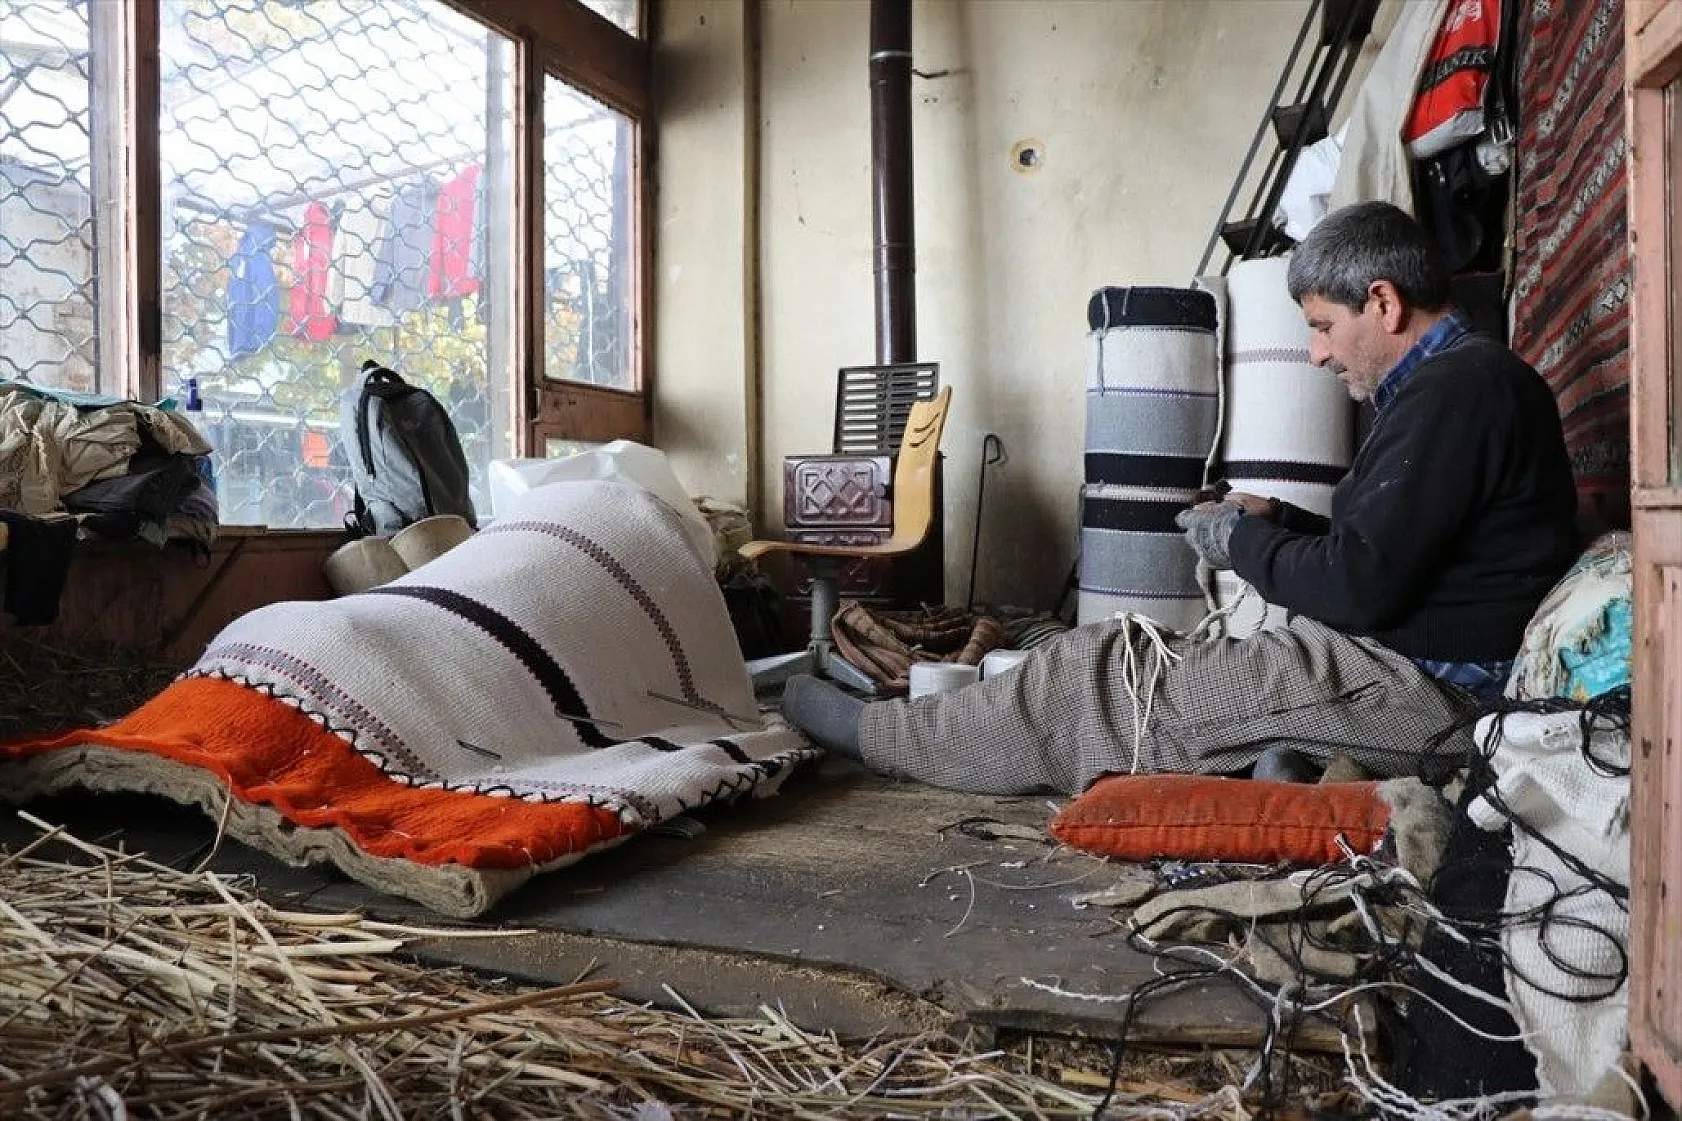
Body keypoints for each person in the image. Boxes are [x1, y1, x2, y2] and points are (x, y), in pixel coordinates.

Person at [780, 201, 1580, 796]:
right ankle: (1284, 761)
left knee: (1102, 681)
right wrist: (1280, 522)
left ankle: (887, 735)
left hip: (1431, 691)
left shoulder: (1459, 391)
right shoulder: (1454, 386)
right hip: (1406, 663)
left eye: (1323, 325)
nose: (1314, 353)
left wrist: (1239, 543)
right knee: (1143, 651)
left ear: (1382, 301)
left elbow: (1358, 585)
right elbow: (1401, 549)